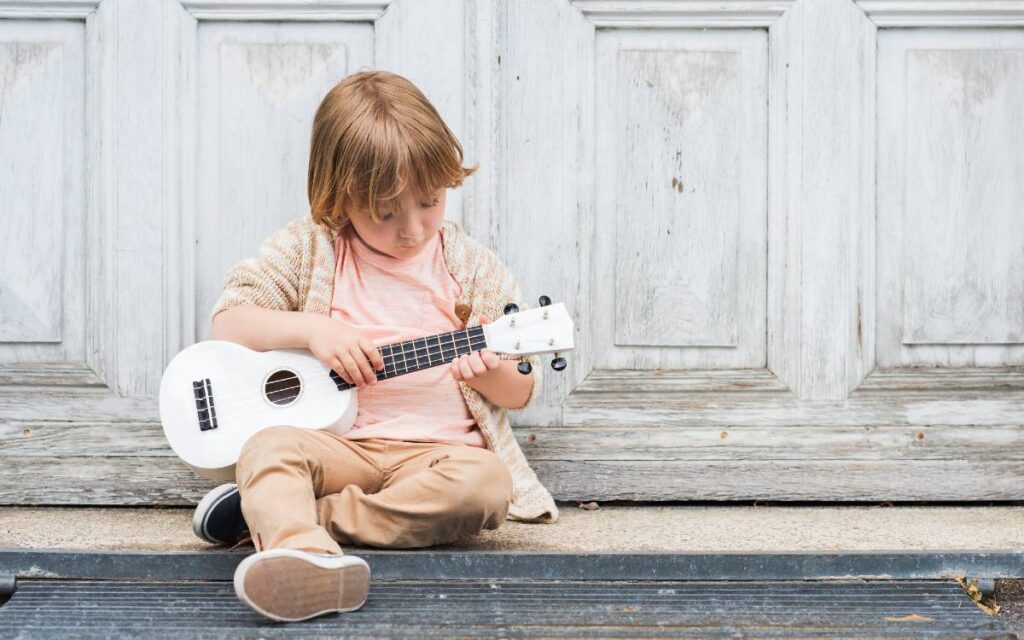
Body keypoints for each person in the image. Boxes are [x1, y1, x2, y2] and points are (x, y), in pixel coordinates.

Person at [191, 69, 560, 623]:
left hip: (433, 457)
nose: (412, 228)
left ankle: (298, 523)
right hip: (338, 449)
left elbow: (521, 385)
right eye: (386, 213)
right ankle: (306, 559)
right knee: (266, 447)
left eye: (429, 202)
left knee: (486, 485)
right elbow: (231, 323)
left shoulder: (471, 268)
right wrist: (313, 331)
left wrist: (489, 374)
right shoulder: (311, 250)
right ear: (339, 196)